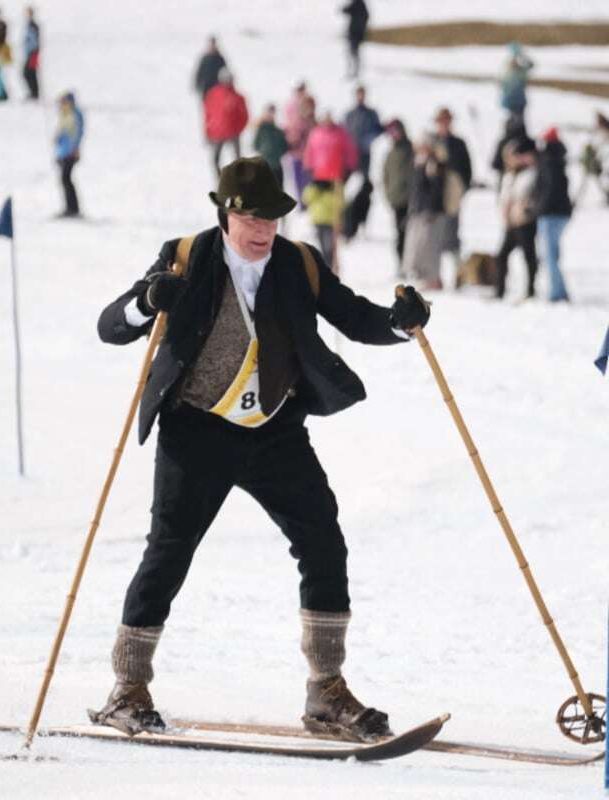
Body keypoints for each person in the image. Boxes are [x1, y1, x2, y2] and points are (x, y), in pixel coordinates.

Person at [89, 156, 430, 741]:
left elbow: (352, 316)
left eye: (272, 218)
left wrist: (400, 323)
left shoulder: (298, 263)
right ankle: (127, 689)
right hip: (196, 430)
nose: (263, 231)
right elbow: (111, 326)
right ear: (225, 214)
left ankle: (327, 691)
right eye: (251, 218)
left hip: (274, 430)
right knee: (169, 552)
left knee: (322, 539)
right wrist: (148, 301)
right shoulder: (185, 257)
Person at [493, 139, 540, 300]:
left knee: (528, 256)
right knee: (502, 255)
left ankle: (531, 291)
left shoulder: (530, 173)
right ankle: (500, 291)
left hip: (525, 221)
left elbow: (527, 196)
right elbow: (505, 197)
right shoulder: (509, 176)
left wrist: (525, 209)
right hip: (511, 223)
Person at [402, 135, 447, 290]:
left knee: (430, 247)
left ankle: (433, 279)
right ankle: (426, 277)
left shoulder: (434, 165)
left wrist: (430, 209)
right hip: (418, 211)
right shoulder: (418, 164)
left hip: (431, 213)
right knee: (419, 247)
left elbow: (435, 189)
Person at [533, 128, 573, 302]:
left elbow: (548, 190)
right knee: (552, 254)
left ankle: (557, 293)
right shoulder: (559, 160)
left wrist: (537, 208)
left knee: (549, 255)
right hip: (561, 213)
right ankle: (559, 290)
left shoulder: (548, 162)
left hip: (550, 214)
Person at [432, 107, 472, 260]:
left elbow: (467, 169)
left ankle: (456, 269)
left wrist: (462, 188)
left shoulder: (458, 144)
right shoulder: (433, 142)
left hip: (452, 193)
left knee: (452, 230)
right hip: (434, 195)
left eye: (446, 121)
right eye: (441, 121)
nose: (444, 124)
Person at [202, 68, 248, 177]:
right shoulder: (213, 94)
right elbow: (208, 114)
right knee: (216, 160)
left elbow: (244, 116)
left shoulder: (237, 97)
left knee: (237, 160)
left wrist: (237, 129)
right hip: (218, 133)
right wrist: (208, 130)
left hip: (232, 133)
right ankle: (222, 182)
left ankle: (238, 182)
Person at [381, 119, 414, 267]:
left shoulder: (410, 150)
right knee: (399, 233)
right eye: (391, 132)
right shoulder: (391, 153)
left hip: (411, 200)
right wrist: (388, 193)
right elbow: (385, 175)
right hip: (396, 199)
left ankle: (410, 263)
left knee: (410, 233)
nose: (394, 135)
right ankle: (401, 263)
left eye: (396, 131)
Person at [302, 109, 358, 186]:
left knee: (336, 196)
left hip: (337, 175)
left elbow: (350, 151)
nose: (327, 120)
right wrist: (308, 166)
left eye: (329, 117)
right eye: (325, 118)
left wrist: (350, 167)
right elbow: (309, 151)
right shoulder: (315, 133)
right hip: (319, 175)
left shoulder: (341, 133)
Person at [302, 179, 344, 271]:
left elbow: (339, 204)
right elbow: (306, 199)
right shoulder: (314, 187)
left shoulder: (335, 187)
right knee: (323, 246)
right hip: (318, 221)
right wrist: (315, 187)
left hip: (330, 222)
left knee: (329, 247)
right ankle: (327, 266)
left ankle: (331, 266)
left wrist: (330, 190)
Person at [54, 90, 84, 218]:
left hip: (70, 152)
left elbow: (76, 134)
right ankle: (69, 207)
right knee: (64, 180)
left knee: (66, 179)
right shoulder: (65, 114)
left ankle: (72, 208)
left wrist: (74, 149)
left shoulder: (73, 115)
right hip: (63, 152)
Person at [343, 85, 381, 179]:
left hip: (365, 152)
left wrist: (368, 140)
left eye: (362, 94)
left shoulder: (371, 114)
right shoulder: (350, 114)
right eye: (359, 94)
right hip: (351, 153)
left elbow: (378, 130)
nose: (360, 97)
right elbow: (344, 132)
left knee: (364, 179)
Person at [252, 103, 288, 188]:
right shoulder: (261, 130)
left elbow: (284, 147)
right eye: (269, 113)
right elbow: (255, 146)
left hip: (277, 166)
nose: (270, 115)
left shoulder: (278, 131)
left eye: (272, 113)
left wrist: (277, 153)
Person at [500, 42, 533, 125]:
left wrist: (521, 56)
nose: (514, 62)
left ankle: (517, 132)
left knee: (518, 120)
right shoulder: (508, 72)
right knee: (515, 119)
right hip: (512, 100)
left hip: (519, 100)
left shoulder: (520, 71)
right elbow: (503, 86)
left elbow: (531, 65)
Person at [340, 0, 369, 78]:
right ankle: (354, 71)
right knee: (353, 53)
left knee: (352, 53)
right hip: (357, 33)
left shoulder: (357, 3)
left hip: (354, 33)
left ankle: (353, 72)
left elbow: (345, 10)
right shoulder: (361, 4)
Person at [193, 36, 227, 101]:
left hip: (217, 86)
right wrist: (197, 82)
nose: (212, 46)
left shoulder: (220, 58)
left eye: (213, 44)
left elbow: (225, 72)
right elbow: (200, 71)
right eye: (211, 44)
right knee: (207, 103)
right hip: (206, 86)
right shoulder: (205, 58)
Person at [22, 6, 41, 101]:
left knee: (29, 72)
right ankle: (34, 93)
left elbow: (34, 40)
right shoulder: (30, 24)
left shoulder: (33, 25)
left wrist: (33, 50)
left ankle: (34, 93)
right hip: (30, 52)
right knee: (29, 72)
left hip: (33, 52)